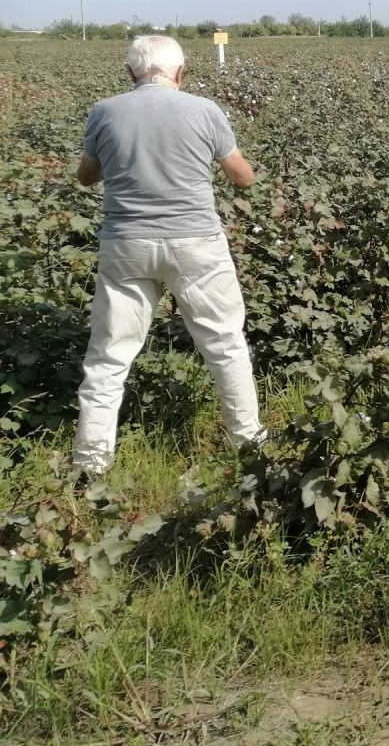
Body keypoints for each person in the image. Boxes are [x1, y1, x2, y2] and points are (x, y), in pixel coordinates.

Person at [72, 35, 264, 478]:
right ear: (181, 73)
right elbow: (242, 178)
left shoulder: (105, 111)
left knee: (108, 355)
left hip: (126, 243)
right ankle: (250, 447)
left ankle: (90, 467)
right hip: (195, 242)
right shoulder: (205, 110)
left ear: (130, 73)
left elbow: (86, 177)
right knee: (225, 345)